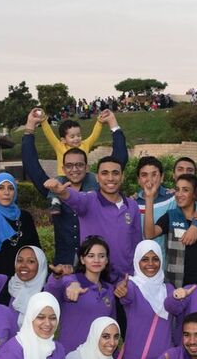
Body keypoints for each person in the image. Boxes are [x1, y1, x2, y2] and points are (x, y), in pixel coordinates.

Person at [22, 107, 127, 269]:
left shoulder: (99, 190)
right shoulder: (54, 190)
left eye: (79, 165)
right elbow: (31, 165)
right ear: (63, 169)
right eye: (69, 165)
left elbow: (119, 160)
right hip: (65, 265)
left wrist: (113, 123)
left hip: (97, 266)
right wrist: (30, 127)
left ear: (87, 167)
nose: (75, 169)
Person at [45, 156, 142, 282]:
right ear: (97, 177)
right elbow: (75, 198)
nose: (110, 178)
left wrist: (135, 276)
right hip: (95, 280)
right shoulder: (89, 200)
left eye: (115, 173)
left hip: (126, 280)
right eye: (104, 173)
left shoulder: (132, 205)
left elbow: (136, 244)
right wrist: (62, 192)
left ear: (122, 176)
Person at [143, 173, 197, 287]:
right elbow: (149, 234)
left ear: (194, 194)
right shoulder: (171, 216)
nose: (179, 194)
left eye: (185, 190)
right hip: (177, 286)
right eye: (177, 190)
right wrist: (149, 198)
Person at [45, 236, 115, 354]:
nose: (96, 260)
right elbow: (51, 293)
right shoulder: (71, 281)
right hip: (71, 354)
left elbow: (111, 325)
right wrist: (57, 277)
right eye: (91, 256)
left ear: (106, 260)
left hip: (99, 356)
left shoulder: (109, 289)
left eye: (101, 256)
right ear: (82, 259)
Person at [115, 241, 174, 359]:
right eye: (145, 259)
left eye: (155, 259)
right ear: (137, 261)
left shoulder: (169, 289)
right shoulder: (132, 285)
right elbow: (124, 291)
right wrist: (120, 288)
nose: (151, 264)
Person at [37, 111, 105, 177]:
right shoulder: (59, 146)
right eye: (72, 137)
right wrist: (43, 121)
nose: (76, 138)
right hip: (64, 178)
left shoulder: (85, 144)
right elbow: (49, 134)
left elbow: (94, 135)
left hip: (82, 177)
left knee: (92, 179)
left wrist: (99, 122)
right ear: (63, 140)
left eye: (78, 135)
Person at [0, 245, 48, 325]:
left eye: (31, 261)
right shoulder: (5, 283)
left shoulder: (47, 292)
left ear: (40, 265)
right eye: (19, 260)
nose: (23, 265)